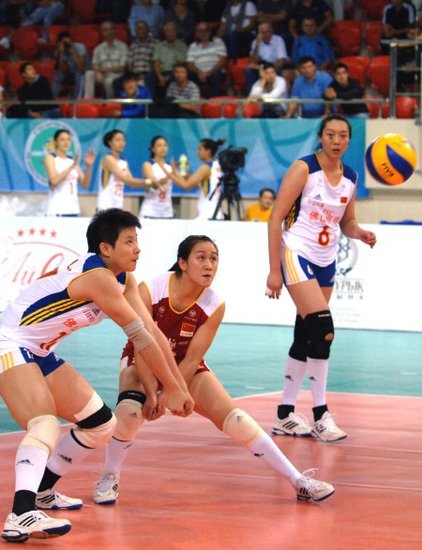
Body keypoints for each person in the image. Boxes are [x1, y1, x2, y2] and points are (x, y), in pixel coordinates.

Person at [92, 235, 335, 506]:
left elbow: (193, 357)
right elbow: (142, 342)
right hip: (144, 359)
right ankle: (109, 476)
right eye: (201, 258)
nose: (209, 265)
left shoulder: (214, 304)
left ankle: (298, 480)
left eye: (214, 259)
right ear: (183, 263)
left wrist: (173, 391)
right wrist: (152, 393)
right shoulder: (152, 288)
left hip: (184, 364)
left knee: (238, 421)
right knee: (131, 412)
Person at [0, 208, 194, 542]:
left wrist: (173, 386)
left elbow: (153, 332)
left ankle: (42, 491)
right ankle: (20, 514)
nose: (137, 249)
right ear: (105, 248)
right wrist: (172, 387)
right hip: (10, 342)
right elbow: (140, 338)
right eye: (129, 241)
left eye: (137, 240)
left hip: (39, 351)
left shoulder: (123, 279)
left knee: (101, 424)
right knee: (44, 423)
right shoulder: (98, 278)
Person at [266, 114, 377, 442]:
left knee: (307, 333)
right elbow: (275, 218)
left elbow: (347, 222)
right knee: (323, 330)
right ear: (321, 136)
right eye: (331, 134)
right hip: (296, 252)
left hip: (326, 261)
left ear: (349, 139)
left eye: (343, 135)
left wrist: (360, 233)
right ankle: (321, 415)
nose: (337, 141)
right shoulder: (304, 168)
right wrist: (274, 270)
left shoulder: (351, 176)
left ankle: (284, 414)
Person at [164, 138, 225, 220]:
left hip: (208, 213)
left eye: (200, 149)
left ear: (208, 151)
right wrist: (184, 173)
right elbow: (200, 185)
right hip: (216, 212)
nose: (197, 152)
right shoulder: (217, 165)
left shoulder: (205, 168)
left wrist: (170, 174)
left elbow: (186, 185)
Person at [44, 129, 94, 217]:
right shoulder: (51, 158)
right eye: (62, 140)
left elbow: (85, 184)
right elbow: (54, 181)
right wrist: (71, 166)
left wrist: (88, 167)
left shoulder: (71, 160)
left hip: (73, 209)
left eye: (68, 139)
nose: (66, 142)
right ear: (55, 142)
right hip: (57, 209)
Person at [97, 129, 149, 211]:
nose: (121, 143)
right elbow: (125, 179)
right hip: (105, 206)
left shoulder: (124, 162)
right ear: (110, 142)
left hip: (118, 206)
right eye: (118, 140)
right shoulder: (108, 159)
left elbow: (132, 184)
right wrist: (148, 181)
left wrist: (150, 182)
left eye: (123, 140)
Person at [84, 21, 128, 99]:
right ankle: (88, 100)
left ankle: (110, 102)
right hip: (103, 74)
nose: (109, 32)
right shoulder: (98, 48)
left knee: (108, 81)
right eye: (106, 30)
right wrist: (97, 72)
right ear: (102, 32)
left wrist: (102, 69)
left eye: (111, 29)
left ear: (115, 30)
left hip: (117, 75)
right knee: (89, 74)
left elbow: (122, 68)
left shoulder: (123, 47)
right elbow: (94, 65)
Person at [244, 21, 289, 94]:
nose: (266, 34)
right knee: (248, 71)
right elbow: (253, 61)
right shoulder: (255, 42)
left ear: (272, 31)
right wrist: (257, 44)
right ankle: (251, 96)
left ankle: (276, 93)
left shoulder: (278, 40)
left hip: (274, 66)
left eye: (268, 31)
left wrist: (267, 69)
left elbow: (281, 61)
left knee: (275, 70)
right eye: (263, 32)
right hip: (261, 66)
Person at [187, 22, 227, 98]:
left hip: (214, 72)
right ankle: (194, 100)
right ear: (197, 33)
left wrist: (208, 73)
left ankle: (213, 100)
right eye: (200, 31)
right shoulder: (192, 46)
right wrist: (199, 73)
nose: (204, 33)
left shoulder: (218, 42)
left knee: (216, 74)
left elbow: (222, 62)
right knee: (189, 74)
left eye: (206, 30)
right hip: (198, 73)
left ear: (210, 32)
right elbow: (190, 64)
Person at [139, 136, 175, 219]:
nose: (163, 148)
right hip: (150, 211)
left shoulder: (170, 167)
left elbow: (183, 183)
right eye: (159, 146)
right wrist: (171, 175)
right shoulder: (148, 165)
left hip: (167, 212)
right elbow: (154, 184)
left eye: (165, 145)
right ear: (153, 149)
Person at [150, 21, 188, 99]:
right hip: (161, 72)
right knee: (149, 76)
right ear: (164, 33)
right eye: (168, 31)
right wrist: (160, 76)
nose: (170, 33)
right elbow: (156, 63)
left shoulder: (182, 46)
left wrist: (168, 77)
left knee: (177, 76)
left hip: (174, 72)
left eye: (172, 30)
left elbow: (181, 65)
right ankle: (150, 102)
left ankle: (174, 102)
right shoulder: (159, 46)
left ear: (176, 32)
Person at [52, 31, 88, 100]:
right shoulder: (58, 51)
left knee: (79, 74)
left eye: (69, 42)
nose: (67, 44)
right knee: (58, 75)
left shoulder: (80, 47)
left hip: (81, 73)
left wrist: (73, 53)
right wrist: (62, 54)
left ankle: (75, 100)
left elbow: (81, 68)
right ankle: (53, 99)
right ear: (59, 43)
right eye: (65, 42)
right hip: (68, 74)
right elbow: (63, 70)